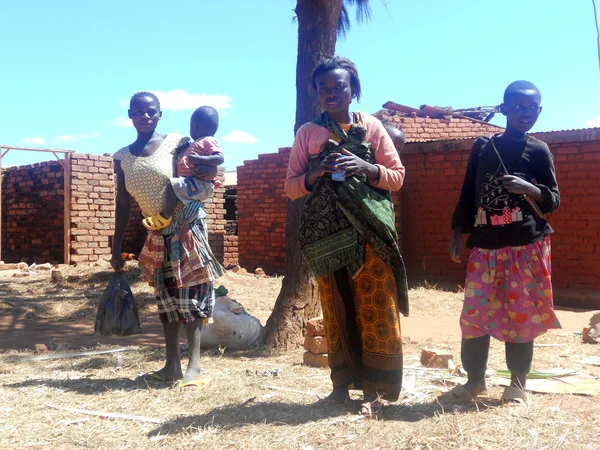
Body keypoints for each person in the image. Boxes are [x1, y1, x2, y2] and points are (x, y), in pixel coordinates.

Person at [285, 56, 409, 419]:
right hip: (328, 238)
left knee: (375, 308)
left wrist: (368, 168)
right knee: (337, 309)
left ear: (353, 89)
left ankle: (375, 390)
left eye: (338, 86)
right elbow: (291, 188)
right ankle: (340, 387)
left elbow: (397, 176)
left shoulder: (371, 126)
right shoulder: (308, 133)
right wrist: (315, 171)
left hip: (371, 232)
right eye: (323, 89)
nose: (331, 94)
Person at [442, 80, 561, 403]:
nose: (526, 113)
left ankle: (517, 385)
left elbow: (553, 199)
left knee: (521, 315)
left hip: (527, 244)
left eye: (533, 108)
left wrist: (530, 188)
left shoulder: (538, 149)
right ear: (505, 108)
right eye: (519, 107)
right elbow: (468, 192)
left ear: (540, 111)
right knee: (475, 317)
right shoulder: (482, 146)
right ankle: (474, 382)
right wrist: (458, 230)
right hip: (485, 245)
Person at [111, 92, 223, 389]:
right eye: (139, 111)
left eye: (151, 111)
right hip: (157, 231)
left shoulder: (177, 143)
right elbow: (123, 203)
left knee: (192, 295)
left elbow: (200, 178)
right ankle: (171, 365)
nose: (145, 116)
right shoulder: (121, 157)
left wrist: (169, 209)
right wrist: (116, 246)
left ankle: (195, 368)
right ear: (130, 114)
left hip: (186, 225)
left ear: (160, 114)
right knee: (167, 298)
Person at [142, 106, 224, 230]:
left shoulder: (208, 141)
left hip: (198, 184)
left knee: (172, 185)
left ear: (195, 126)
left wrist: (200, 160)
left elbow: (219, 158)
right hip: (193, 183)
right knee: (175, 185)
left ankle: (165, 216)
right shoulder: (195, 144)